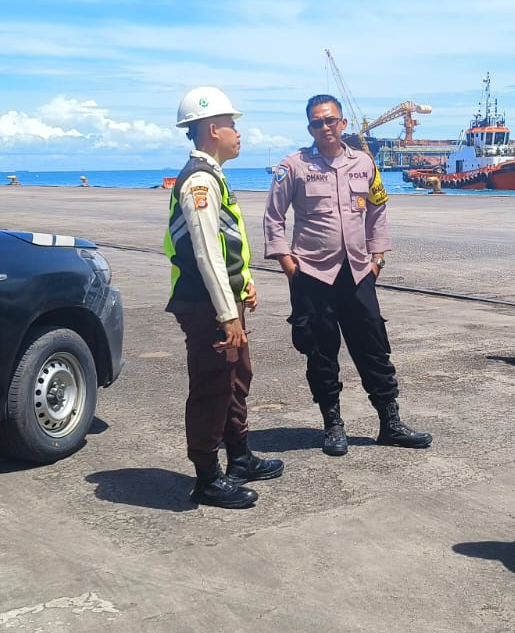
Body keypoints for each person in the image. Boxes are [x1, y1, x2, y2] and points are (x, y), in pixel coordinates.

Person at [263, 95, 432, 456]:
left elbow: (378, 209)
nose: (324, 127)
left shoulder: (364, 163)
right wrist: (289, 266)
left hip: (357, 272)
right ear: (309, 127)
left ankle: (390, 423)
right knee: (321, 353)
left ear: (342, 123)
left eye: (330, 120)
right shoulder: (293, 166)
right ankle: (333, 426)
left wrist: (377, 258)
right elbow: (273, 218)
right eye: (317, 122)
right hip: (312, 275)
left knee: (374, 348)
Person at [164, 86, 285, 508]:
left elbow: (226, 244)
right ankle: (207, 477)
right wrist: (226, 313)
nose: (238, 133)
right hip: (206, 306)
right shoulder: (200, 181)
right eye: (232, 125)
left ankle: (239, 456)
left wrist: (242, 282)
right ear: (213, 129)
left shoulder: (213, 175)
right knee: (212, 385)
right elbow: (206, 252)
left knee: (236, 378)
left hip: (221, 300)